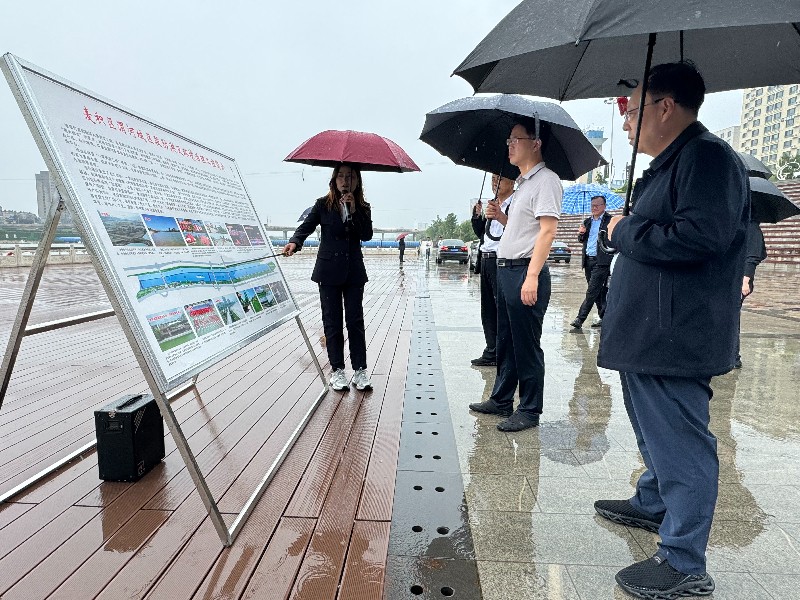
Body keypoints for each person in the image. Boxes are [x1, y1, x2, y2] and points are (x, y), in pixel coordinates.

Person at [594, 62, 748, 599]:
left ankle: (684, 562)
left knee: (682, 444)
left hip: (673, 335)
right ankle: (653, 501)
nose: (625, 120)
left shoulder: (707, 158)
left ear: (665, 107)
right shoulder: (672, 162)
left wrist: (623, 230)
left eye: (631, 109)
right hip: (649, 331)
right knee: (653, 430)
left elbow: (698, 237)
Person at [468, 117, 562, 432]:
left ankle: (530, 409)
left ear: (535, 143)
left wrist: (532, 276)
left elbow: (547, 231)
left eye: (515, 139)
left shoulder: (546, 180)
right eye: (508, 140)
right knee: (506, 341)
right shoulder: (523, 184)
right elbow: (521, 230)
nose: (509, 145)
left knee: (526, 345)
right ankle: (501, 399)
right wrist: (499, 217)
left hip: (524, 271)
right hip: (506, 270)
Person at [283, 163, 374, 392]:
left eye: (350, 176)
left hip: (353, 272)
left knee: (355, 321)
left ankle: (360, 370)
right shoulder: (323, 204)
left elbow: (367, 235)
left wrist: (354, 211)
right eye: (340, 176)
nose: (345, 181)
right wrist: (295, 242)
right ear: (334, 180)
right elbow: (306, 226)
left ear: (357, 181)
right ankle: (337, 370)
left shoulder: (363, 207)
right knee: (332, 322)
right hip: (328, 270)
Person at [470, 173, 515, 367]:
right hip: (486, 260)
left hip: (503, 261)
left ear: (512, 182)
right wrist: (477, 216)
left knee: (502, 310)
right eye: (493, 179)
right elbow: (483, 234)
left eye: (500, 179)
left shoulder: (516, 204)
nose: (495, 182)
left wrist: (501, 216)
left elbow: (519, 230)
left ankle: (504, 352)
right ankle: (491, 350)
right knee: (488, 310)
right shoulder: (493, 204)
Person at [570, 195, 612, 329]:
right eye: (592, 205)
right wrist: (581, 233)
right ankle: (604, 318)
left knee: (591, 291)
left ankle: (580, 318)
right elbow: (581, 240)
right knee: (598, 292)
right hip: (588, 260)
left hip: (602, 261)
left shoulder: (610, 221)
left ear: (604, 206)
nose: (594, 208)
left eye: (597, 205)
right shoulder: (587, 222)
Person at [735, 220, 767, 368]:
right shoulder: (740, 224)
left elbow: (753, 256)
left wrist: (745, 280)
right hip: (731, 278)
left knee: (732, 318)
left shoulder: (752, 226)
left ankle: (734, 357)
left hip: (740, 280)